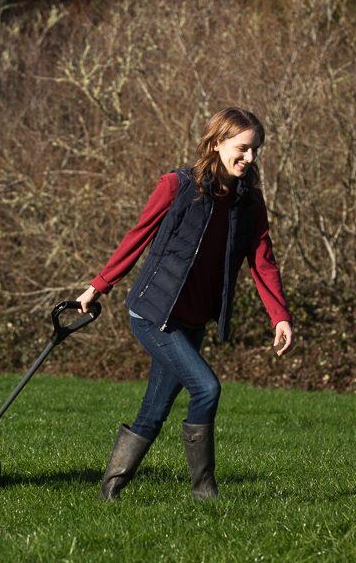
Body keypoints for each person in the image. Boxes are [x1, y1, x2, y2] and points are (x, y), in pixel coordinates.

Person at [77, 107, 294, 500]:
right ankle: (204, 491)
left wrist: (279, 316)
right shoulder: (178, 186)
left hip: (192, 321)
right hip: (154, 313)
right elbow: (138, 235)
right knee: (207, 389)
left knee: (154, 410)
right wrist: (99, 285)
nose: (250, 158)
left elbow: (262, 261)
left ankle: (108, 493)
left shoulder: (249, 203)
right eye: (242, 148)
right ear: (216, 143)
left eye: (255, 150)